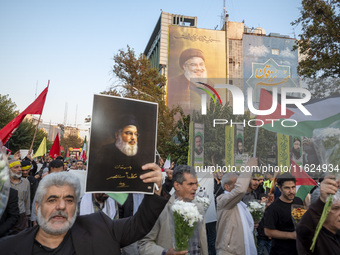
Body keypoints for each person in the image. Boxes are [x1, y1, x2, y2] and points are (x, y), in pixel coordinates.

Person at [0, 163, 167, 254]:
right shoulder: (9, 247)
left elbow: (139, 225)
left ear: (76, 206)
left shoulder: (102, 228)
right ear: (37, 207)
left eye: (69, 199)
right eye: (52, 199)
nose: (61, 206)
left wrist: (155, 190)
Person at [139, 165, 208, 255]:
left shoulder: (199, 208)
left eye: (196, 183)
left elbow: (202, 244)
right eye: (191, 184)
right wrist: (165, 253)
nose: (195, 188)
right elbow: (144, 244)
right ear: (177, 185)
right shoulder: (160, 209)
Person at [87, 115, 152, 192]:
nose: (133, 138)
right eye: (129, 133)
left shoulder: (142, 155)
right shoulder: (104, 153)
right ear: (117, 135)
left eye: (135, 134)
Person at [215, 157, 258, 255]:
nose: (240, 184)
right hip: (229, 250)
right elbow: (240, 190)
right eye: (237, 183)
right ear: (227, 186)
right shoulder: (222, 200)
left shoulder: (240, 203)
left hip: (241, 249)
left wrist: (250, 224)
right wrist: (248, 168)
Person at [296, 175, 340, 254]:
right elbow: (303, 228)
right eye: (335, 208)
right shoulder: (312, 238)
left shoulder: (336, 232)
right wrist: (322, 200)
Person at [264, 173, 303, 255]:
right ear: (280, 188)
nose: (291, 191)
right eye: (287, 188)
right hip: (281, 251)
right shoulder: (274, 208)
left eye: (293, 187)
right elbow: (268, 231)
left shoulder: (298, 201)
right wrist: (291, 235)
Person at [167, 48, 211, 114]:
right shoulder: (173, 83)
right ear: (185, 66)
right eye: (194, 65)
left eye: (201, 64)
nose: (199, 68)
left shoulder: (211, 84)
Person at [8, 160, 30, 234]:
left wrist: (27, 218)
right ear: (9, 169)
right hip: (7, 217)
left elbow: (27, 200)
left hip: (21, 216)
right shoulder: (4, 182)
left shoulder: (26, 182)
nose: (20, 169)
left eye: (20, 167)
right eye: (16, 167)